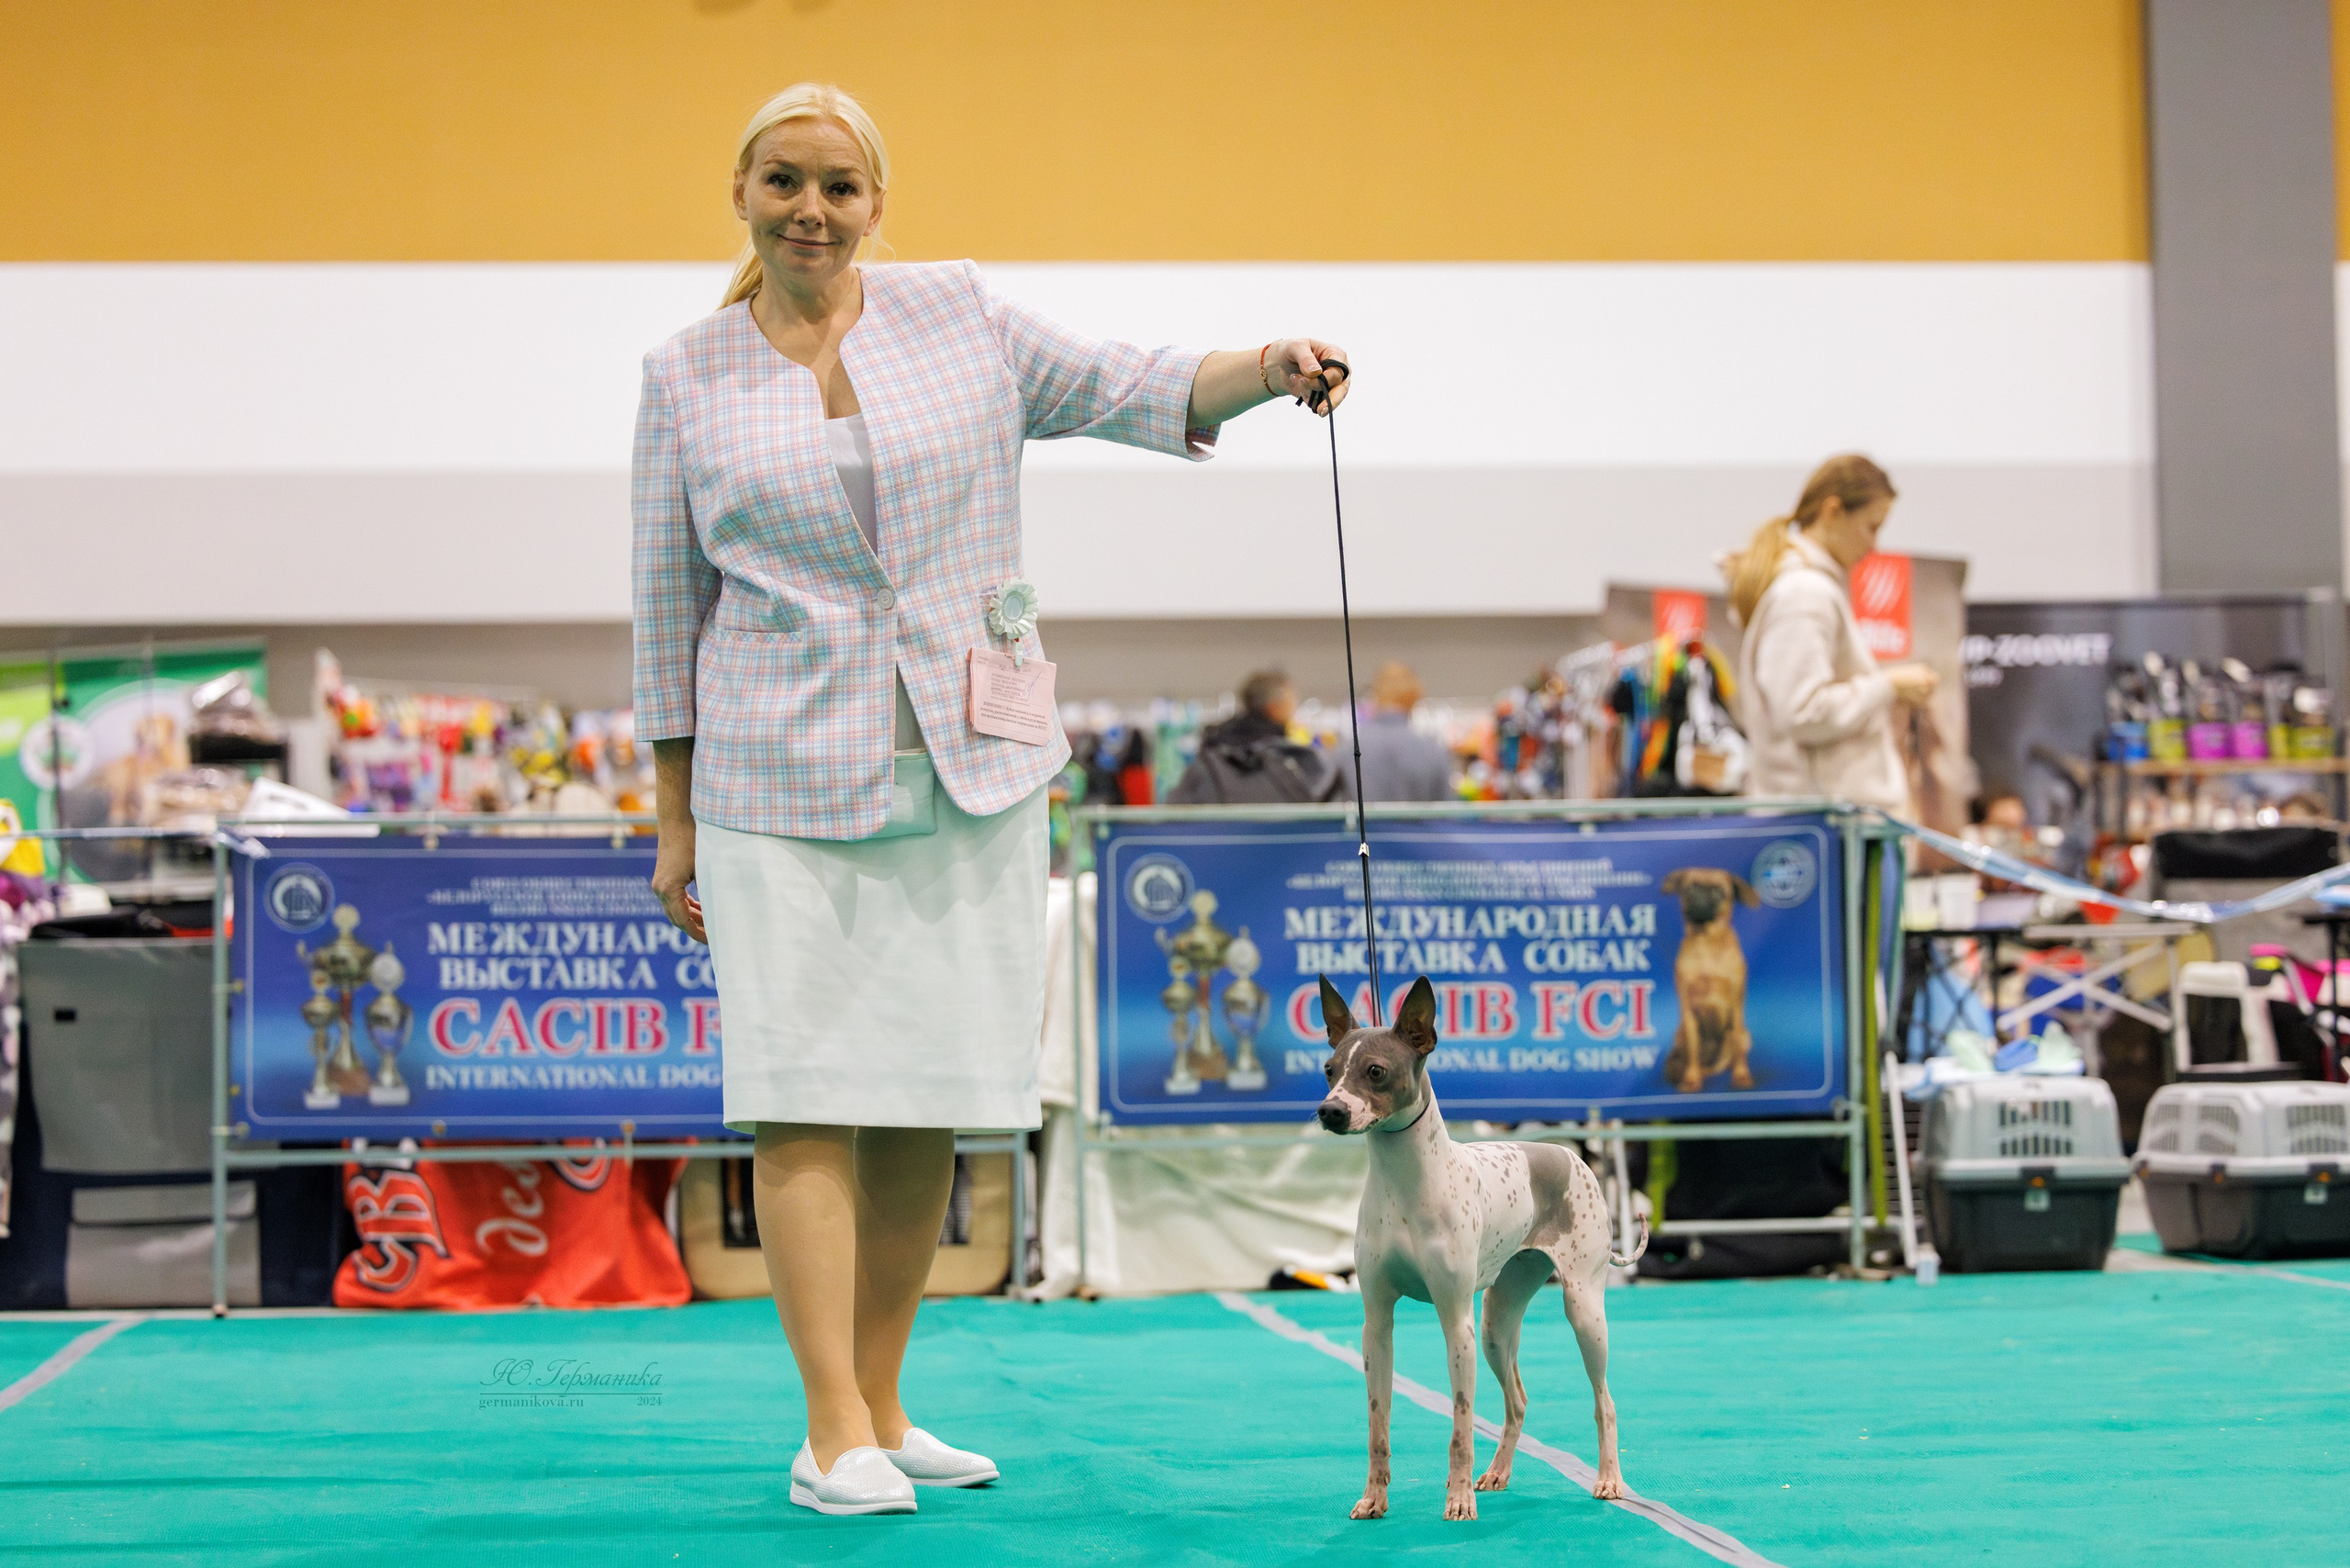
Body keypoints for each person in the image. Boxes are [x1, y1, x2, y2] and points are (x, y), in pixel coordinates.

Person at [631, 84, 1354, 1518]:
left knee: (926, 1104)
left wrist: (1269, 366)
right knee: (803, 1101)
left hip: (970, 773)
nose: (813, 211)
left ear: (877, 205)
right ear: (741, 192)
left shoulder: (961, 316)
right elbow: (667, 606)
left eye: (840, 188)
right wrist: (674, 815)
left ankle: (885, 1404)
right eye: (785, 183)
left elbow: (1132, 383)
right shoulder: (683, 374)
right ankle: (827, 1426)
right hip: (774, 783)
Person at [1724, 455, 1938, 815]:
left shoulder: (1807, 589)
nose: (1874, 546)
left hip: (1828, 819)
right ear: (1833, 511)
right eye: (1871, 526)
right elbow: (1803, 712)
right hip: (1829, 825)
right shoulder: (1806, 594)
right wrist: (1889, 686)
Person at [1168, 670, 1342, 804]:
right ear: (1275, 706)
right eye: (1291, 700)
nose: (1294, 707)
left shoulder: (1213, 743)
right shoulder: (1289, 755)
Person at [1353, 661, 1455, 801]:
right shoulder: (1432, 750)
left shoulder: (1348, 749)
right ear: (1415, 697)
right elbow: (1447, 813)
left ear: (1375, 695)